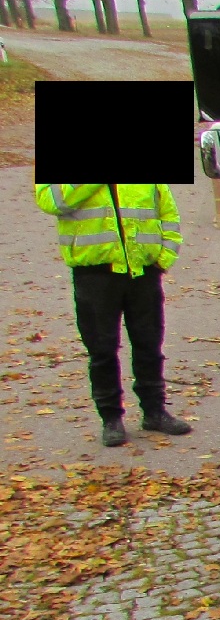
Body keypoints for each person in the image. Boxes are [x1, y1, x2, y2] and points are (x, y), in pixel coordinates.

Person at [32, 183, 189, 447]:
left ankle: (155, 411)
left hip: (143, 269)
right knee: (102, 349)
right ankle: (111, 418)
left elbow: (167, 209)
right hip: (94, 272)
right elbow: (52, 202)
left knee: (149, 343)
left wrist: (166, 255)